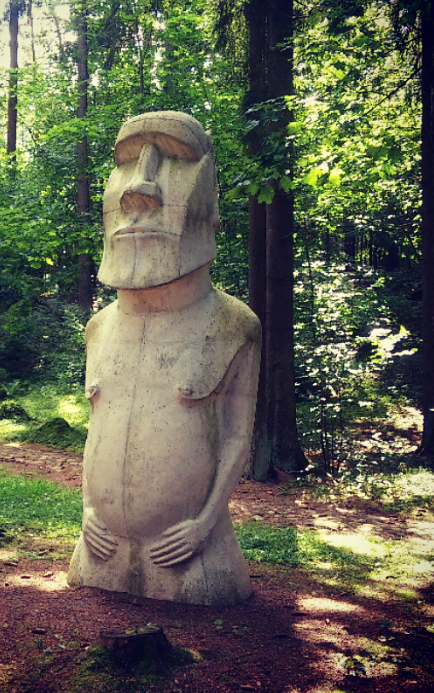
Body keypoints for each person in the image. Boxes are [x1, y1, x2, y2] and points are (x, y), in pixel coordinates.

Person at [67, 111, 261, 605]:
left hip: (196, 561)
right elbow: (96, 429)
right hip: (98, 551)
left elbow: (236, 437)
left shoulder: (234, 324)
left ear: (209, 198)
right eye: (126, 162)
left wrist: (203, 525)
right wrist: (88, 509)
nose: (140, 187)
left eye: (174, 159)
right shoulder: (98, 327)